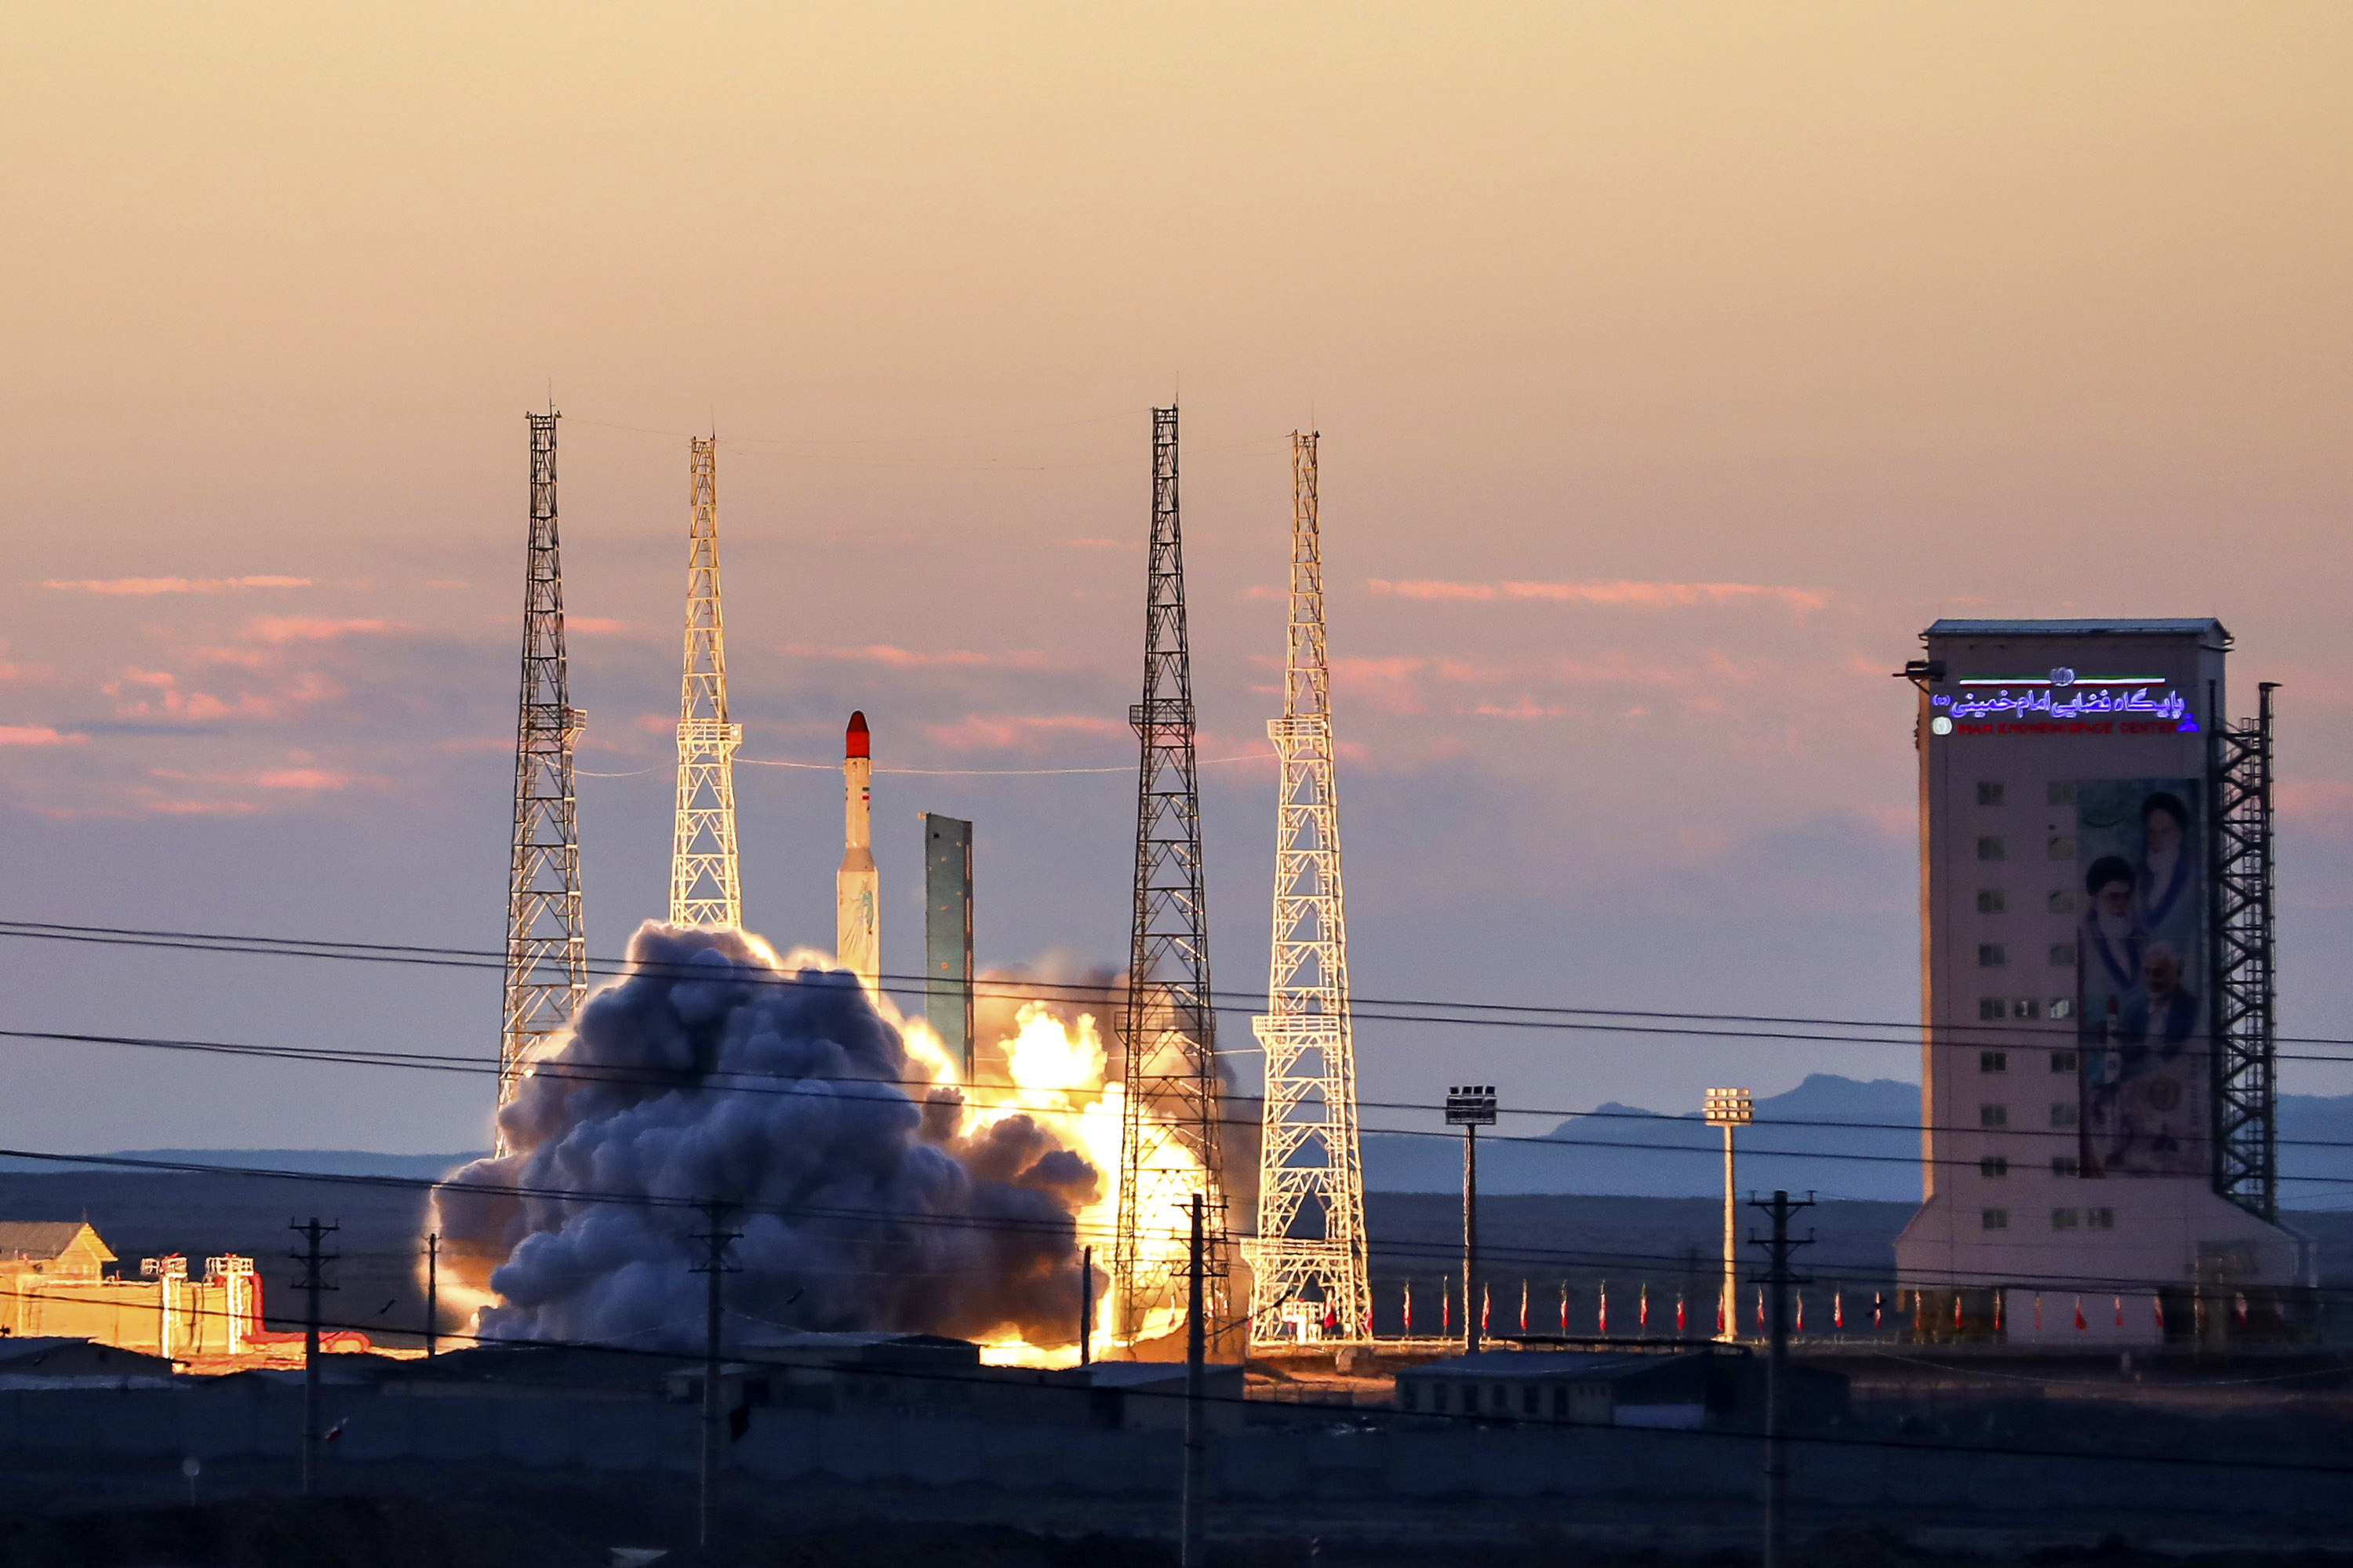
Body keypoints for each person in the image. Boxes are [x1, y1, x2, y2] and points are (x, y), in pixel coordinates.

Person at [2133, 791, 2198, 949]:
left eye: (2165, 832)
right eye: (2151, 832)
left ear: (2179, 835)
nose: (2156, 841)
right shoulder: (2137, 878)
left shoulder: (2195, 878)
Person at [2078, 855, 2144, 1007]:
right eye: (2113, 897)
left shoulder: (2143, 942)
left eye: (2126, 896)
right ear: (2095, 901)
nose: (2121, 904)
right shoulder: (2081, 943)